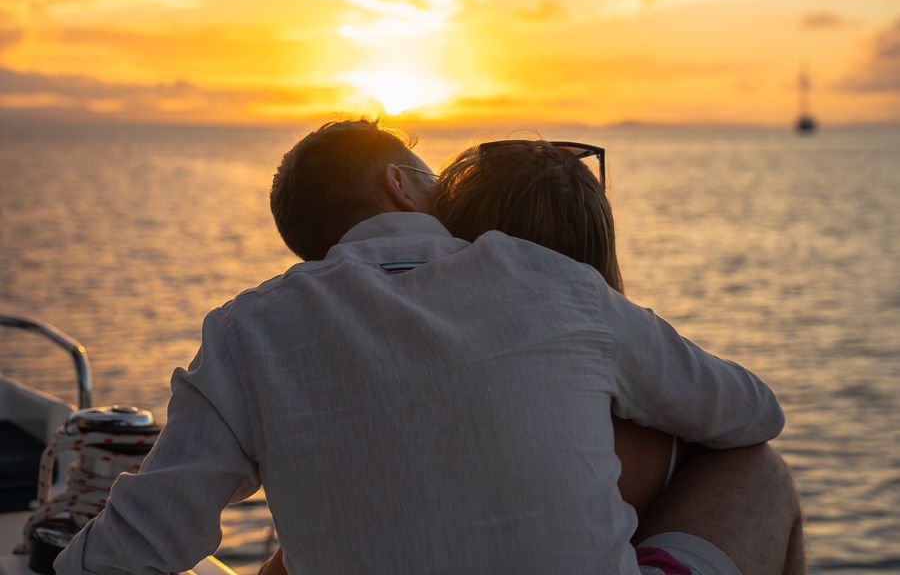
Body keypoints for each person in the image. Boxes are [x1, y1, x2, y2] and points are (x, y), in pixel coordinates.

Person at [55, 120, 794, 574]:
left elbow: (147, 539)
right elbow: (751, 411)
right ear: (401, 184)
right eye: (433, 173)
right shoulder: (547, 281)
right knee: (760, 473)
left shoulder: (250, 331)